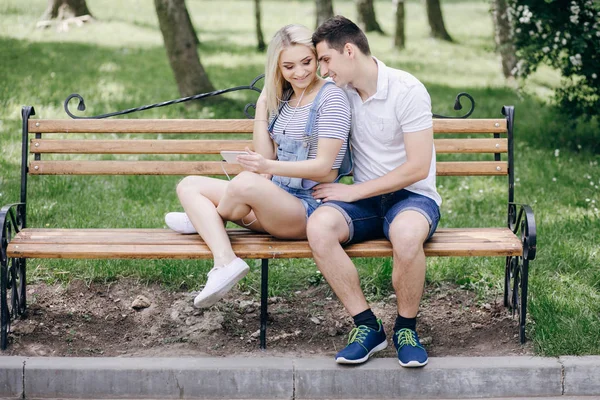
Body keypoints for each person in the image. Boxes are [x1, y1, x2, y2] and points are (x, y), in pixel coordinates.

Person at [165, 24, 352, 309]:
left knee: (244, 183)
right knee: (189, 184)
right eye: (288, 66)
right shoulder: (289, 97)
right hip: (274, 198)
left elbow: (324, 169)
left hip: (307, 208)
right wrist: (263, 105)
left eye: (307, 62)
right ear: (277, 67)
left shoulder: (332, 98)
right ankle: (225, 262)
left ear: (316, 58)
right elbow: (265, 153)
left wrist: (268, 166)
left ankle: (209, 217)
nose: (300, 72)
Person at [307, 16, 441, 368]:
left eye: (325, 60)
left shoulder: (406, 89)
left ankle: (406, 330)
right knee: (319, 227)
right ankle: (368, 326)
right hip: (365, 201)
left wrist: (354, 191)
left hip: (413, 197)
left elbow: (417, 167)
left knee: (407, 234)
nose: (323, 70)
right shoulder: (338, 95)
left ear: (348, 51)